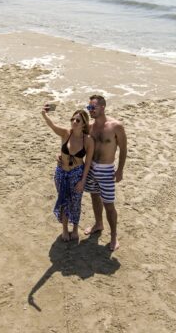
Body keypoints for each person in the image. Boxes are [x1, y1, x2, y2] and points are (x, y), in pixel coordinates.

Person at [42, 105, 94, 242]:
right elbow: (52, 125)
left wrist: (83, 181)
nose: (73, 122)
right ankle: (65, 229)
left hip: (77, 174)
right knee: (63, 200)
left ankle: (75, 229)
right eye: (72, 119)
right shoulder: (66, 133)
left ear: (84, 124)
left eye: (77, 120)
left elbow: (87, 162)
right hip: (61, 173)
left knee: (76, 202)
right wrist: (44, 114)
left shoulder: (88, 140)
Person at [83, 95, 127, 251]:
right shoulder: (89, 126)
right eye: (88, 107)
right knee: (94, 197)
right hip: (91, 168)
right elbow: (71, 135)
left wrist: (120, 169)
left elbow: (123, 149)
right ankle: (98, 224)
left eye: (92, 107)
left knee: (108, 204)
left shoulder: (116, 126)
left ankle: (114, 236)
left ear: (103, 107)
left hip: (106, 169)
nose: (90, 110)